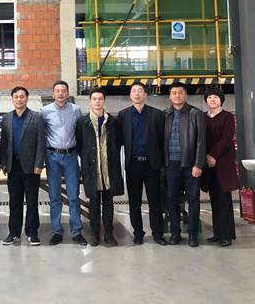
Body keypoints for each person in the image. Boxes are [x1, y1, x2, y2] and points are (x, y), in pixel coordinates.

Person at [118, 82, 168, 246]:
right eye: (134, 91)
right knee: (134, 203)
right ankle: (138, 233)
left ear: (145, 95)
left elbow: (163, 141)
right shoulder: (123, 115)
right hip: (133, 164)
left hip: (152, 165)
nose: (137, 94)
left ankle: (158, 234)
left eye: (140, 91)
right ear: (130, 95)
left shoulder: (156, 114)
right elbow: (118, 141)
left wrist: (163, 164)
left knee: (155, 202)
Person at [75, 87, 124, 247]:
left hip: (109, 168)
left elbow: (118, 142)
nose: (97, 102)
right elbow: (80, 145)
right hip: (92, 169)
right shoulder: (82, 122)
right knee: (94, 203)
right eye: (94, 99)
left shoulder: (114, 122)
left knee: (108, 202)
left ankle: (109, 233)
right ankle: (95, 234)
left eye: (100, 99)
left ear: (104, 100)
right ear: (90, 102)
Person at [41, 80, 87, 246]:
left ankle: (77, 231)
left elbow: (80, 132)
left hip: (70, 157)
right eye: (57, 91)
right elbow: (41, 133)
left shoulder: (75, 110)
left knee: (73, 196)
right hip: (52, 157)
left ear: (67, 93)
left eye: (63, 90)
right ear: (53, 94)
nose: (60, 93)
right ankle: (57, 231)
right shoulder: (45, 111)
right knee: (54, 196)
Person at [0, 86, 45, 246]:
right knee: (14, 201)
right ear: (12, 99)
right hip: (13, 166)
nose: (19, 99)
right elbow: (4, 142)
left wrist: (39, 163)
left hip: (31, 166)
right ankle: (14, 233)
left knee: (32, 201)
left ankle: (32, 232)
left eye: (22, 96)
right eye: (16, 97)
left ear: (27, 98)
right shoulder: (6, 118)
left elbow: (41, 142)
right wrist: (4, 163)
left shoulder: (36, 117)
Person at [163, 81, 206, 247]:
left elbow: (201, 141)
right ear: (170, 96)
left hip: (190, 164)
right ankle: (175, 233)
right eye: (174, 93)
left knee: (193, 199)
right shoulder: (165, 115)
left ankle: (193, 235)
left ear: (185, 95)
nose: (177, 95)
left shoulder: (196, 114)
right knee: (172, 199)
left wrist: (198, 164)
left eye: (180, 92)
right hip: (171, 164)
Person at [202, 87, 239, 247]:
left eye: (216, 97)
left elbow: (227, 138)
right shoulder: (203, 117)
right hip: (208, 164)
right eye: (209, 97)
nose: (212, 99)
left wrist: (213, 155)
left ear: (221, 100)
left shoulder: (228, 116)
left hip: (222, 163)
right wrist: (204, 156)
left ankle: (227, 235)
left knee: (224, 200)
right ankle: (217, 234)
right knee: (214, 200)